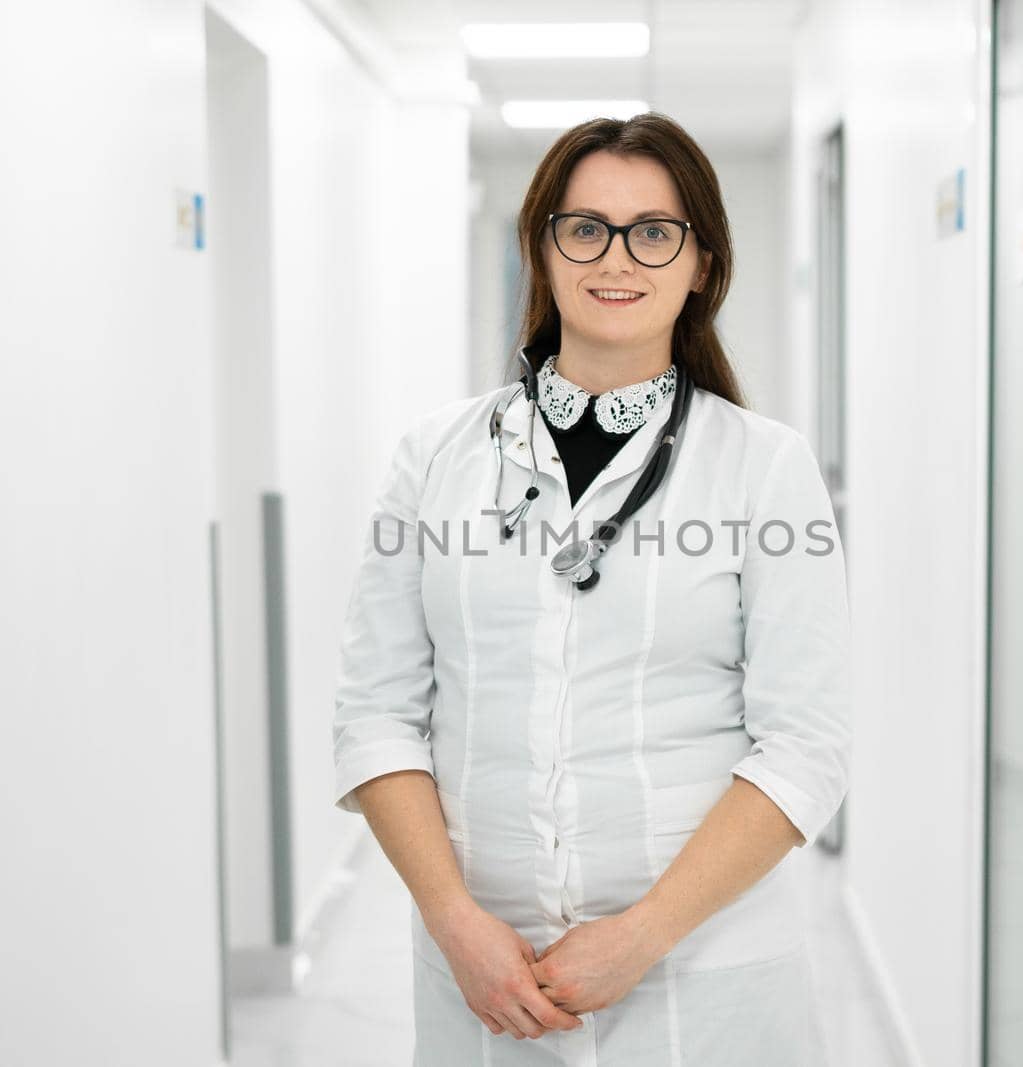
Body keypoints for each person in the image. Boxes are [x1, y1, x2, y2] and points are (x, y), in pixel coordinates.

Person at [332, 112, 852, 1066]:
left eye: (655, 231)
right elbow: (376, 716)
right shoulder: (433, 459)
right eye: (586, 228)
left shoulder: (764, 468)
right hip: (486, 978)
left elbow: (805, 746)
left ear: (703, 264)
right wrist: (455, 922)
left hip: (706, 974)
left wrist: (643, 934)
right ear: (544, 247)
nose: (619, 258)